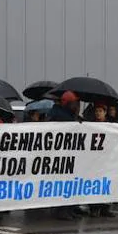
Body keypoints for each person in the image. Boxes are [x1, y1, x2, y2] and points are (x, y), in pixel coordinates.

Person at [46, 91, 85, 220]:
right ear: (67, 103)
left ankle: (69, 208)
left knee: (70, 183)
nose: (77, 105)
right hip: (60, 155)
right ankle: (61, 210)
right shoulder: (60, 115)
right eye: (74, 103)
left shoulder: (68, 114)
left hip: (69, 154)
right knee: (63, 183)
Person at [88, 102, 116, 218]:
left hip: (106, 159)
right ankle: (94, 208)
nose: (98, 113)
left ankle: (105, 207)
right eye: (96, 111)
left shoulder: (110, 126)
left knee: (106, 182)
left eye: (100, 111)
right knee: (95, 183)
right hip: (95, 159)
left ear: (105, 113)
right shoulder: (91, 125)